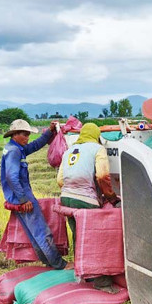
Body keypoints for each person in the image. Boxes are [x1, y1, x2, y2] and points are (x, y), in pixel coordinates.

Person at [57, 122, 120, 291]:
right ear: (96, 135)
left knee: (79, 238)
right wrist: (111, 198)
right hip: (86, 201)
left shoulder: (69, 151)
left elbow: (60, 180)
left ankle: (83, 276)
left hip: (67, 200)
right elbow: (102, 176)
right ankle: (103, 283)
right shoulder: (97, 149)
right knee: (97, 241)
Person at [0, 119, 67, 270]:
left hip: (18, 197)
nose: (27, 137)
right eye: (25, 134)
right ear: (15, 134)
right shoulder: (14, 151)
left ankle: (49, 262)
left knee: (35, 234)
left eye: (28, 134)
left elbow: (35, 145)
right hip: (22, 196)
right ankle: (59, 263)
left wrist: (49, 132)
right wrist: (24, 199)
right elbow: (11, 177)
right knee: (41, 231)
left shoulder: (16, 147)